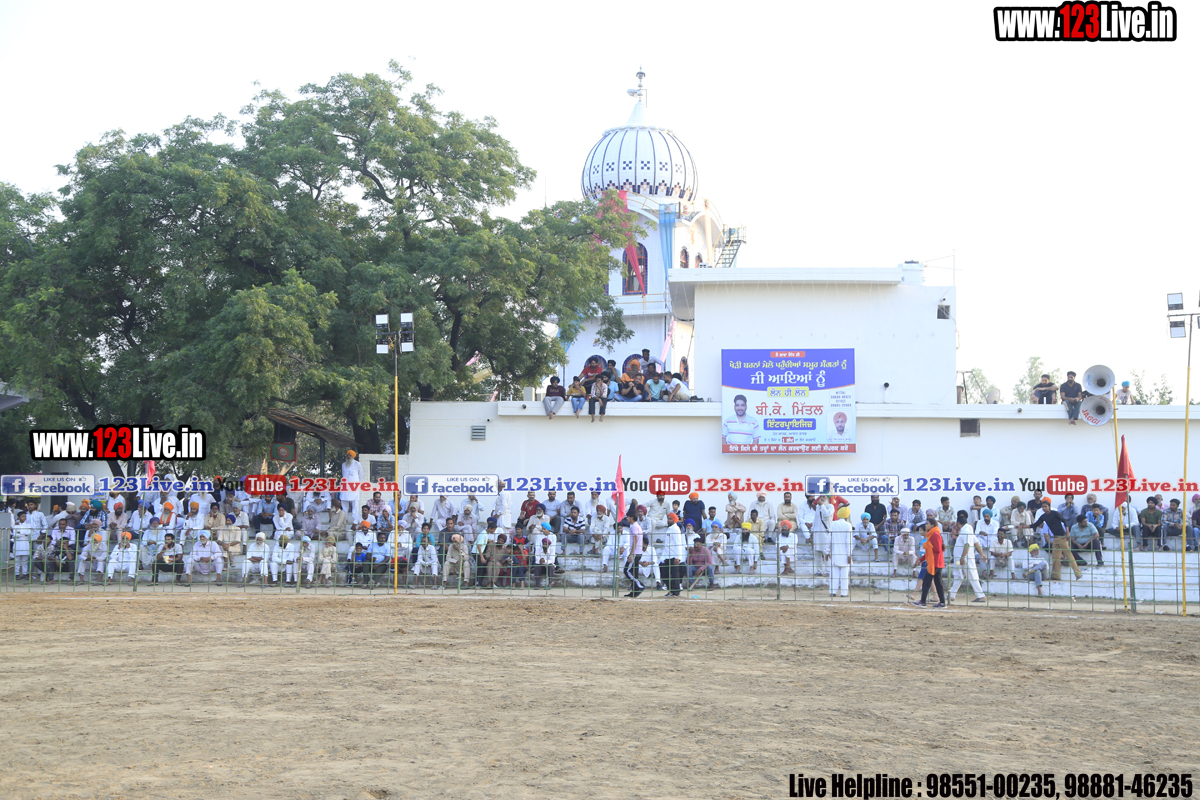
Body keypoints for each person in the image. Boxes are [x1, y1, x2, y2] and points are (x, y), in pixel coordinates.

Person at [1032, 499, 1083, 581]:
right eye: (1043, 507)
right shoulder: (1044, 517)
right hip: (1055, 539)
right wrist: (1022, 526)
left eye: (1045, 506)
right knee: (1055, 558)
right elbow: (1035, 525)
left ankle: (1078, 573)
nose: (1044, 508)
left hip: (1062, 537)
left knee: (1069, 555)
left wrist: (1067, 532)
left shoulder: (1054, 513)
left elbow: (1064, 520)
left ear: (1049, 507)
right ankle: (1056, 576)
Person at [948, 511, 986, 604]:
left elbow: (967, 544)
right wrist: (982, 554)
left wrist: (962, 557)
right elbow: (976, 542)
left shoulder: (965, 531)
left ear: (958, 523)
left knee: (972, 576)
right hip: (959, 560)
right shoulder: (968, 529)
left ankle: (981, 596)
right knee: (958, 575)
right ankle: (951, 595)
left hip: (965, 559)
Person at [911, 522, 946, 608]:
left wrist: (929, 546)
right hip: (935, 562)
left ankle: (923, 601)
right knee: (938, 582)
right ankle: (942, 602)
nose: (926, 525)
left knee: (927, 581)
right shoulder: (932, 534)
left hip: (935, 562)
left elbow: (937, 549)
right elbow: (928, 551)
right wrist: (921, 559)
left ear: (932, 525)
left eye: (927, 524)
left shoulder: (935, 534)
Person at [829, 507, 855, 597]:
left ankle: (833, 592)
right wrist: (849, 554)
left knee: (834, 575)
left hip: (835, 553)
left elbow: (829, 539)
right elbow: (848, 541)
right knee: (844, 575)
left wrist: (827, 551)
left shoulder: (833, 524)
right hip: (845, 554)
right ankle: (844, 593)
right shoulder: (848, 525)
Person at [339, 450, 363, 521]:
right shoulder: (343, 464)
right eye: (348, 455)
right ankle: (344, 519)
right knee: (344, 503)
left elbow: (361, 475)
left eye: (350, 455)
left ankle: (355, 520)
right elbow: (343, 474)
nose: (348, 456)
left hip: (354, 487)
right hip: (345, 487)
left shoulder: (357, 464)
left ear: (353, 456)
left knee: (355, 505)